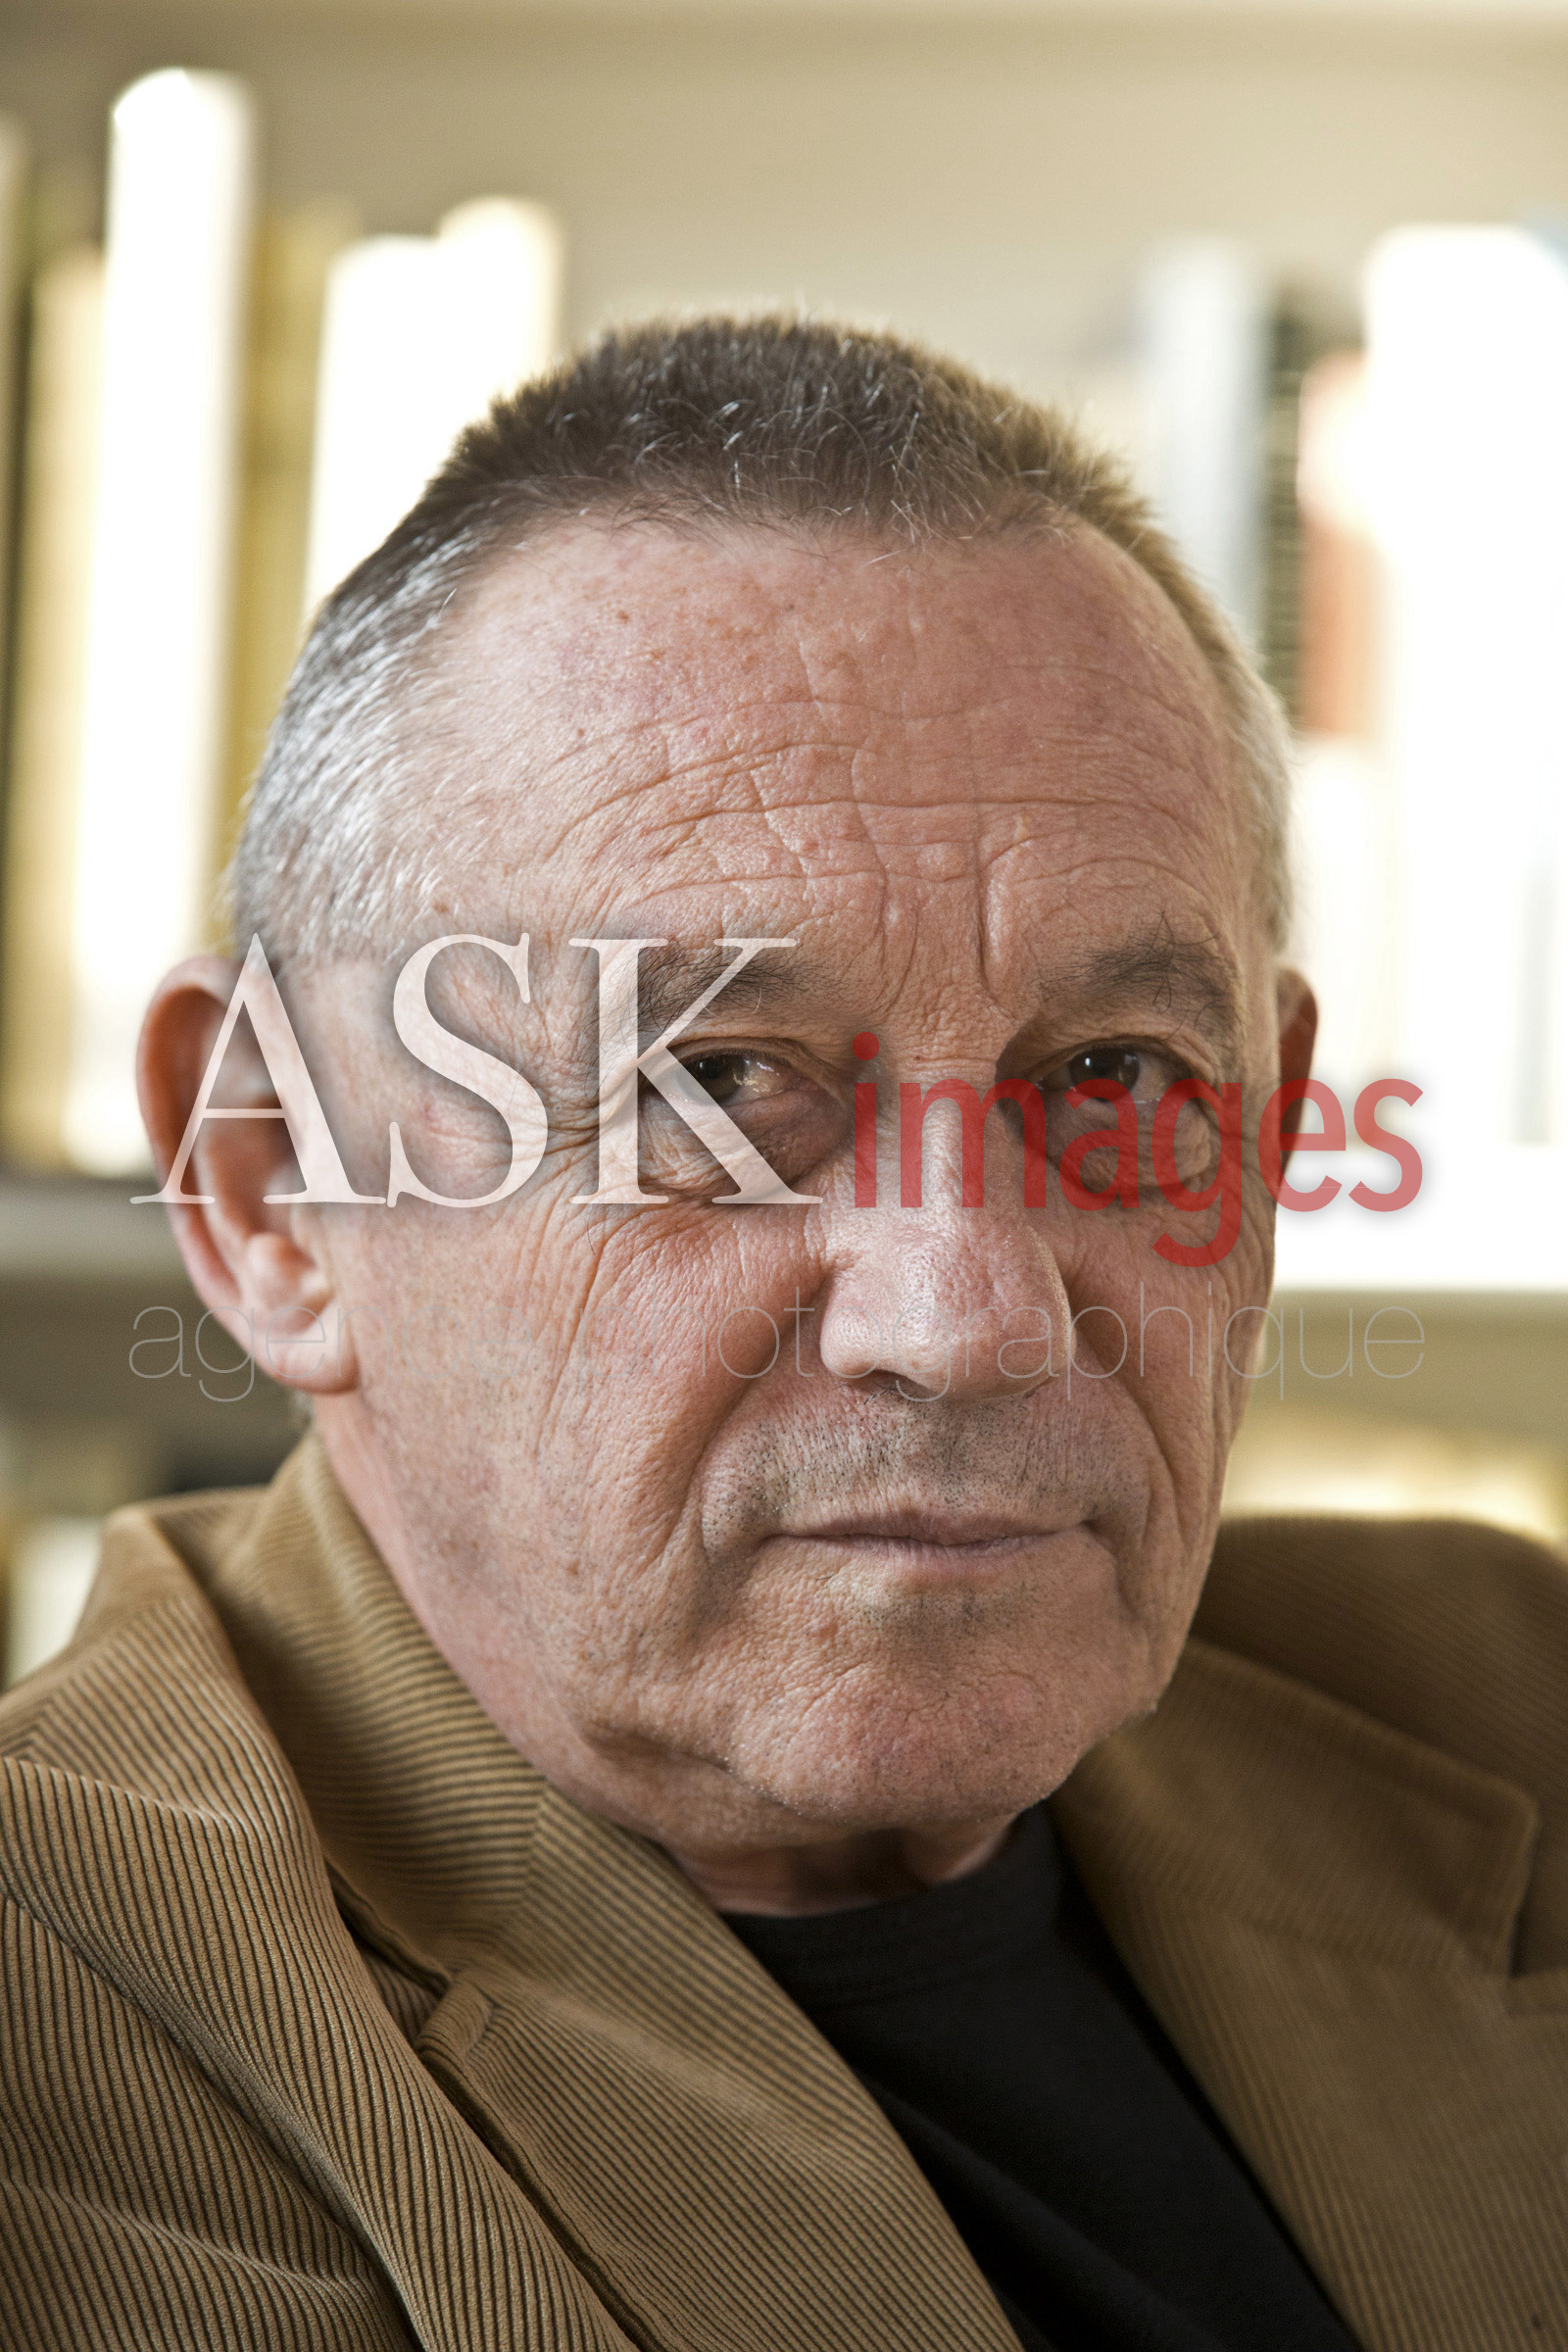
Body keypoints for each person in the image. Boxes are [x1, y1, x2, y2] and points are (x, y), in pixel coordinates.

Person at [2, 318, 1563, 2352]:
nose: (968, 1316)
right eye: (718, 1086)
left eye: (1110, 1076)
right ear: (271, 1187)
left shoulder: (1504, 1694)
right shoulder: (53, 2031)